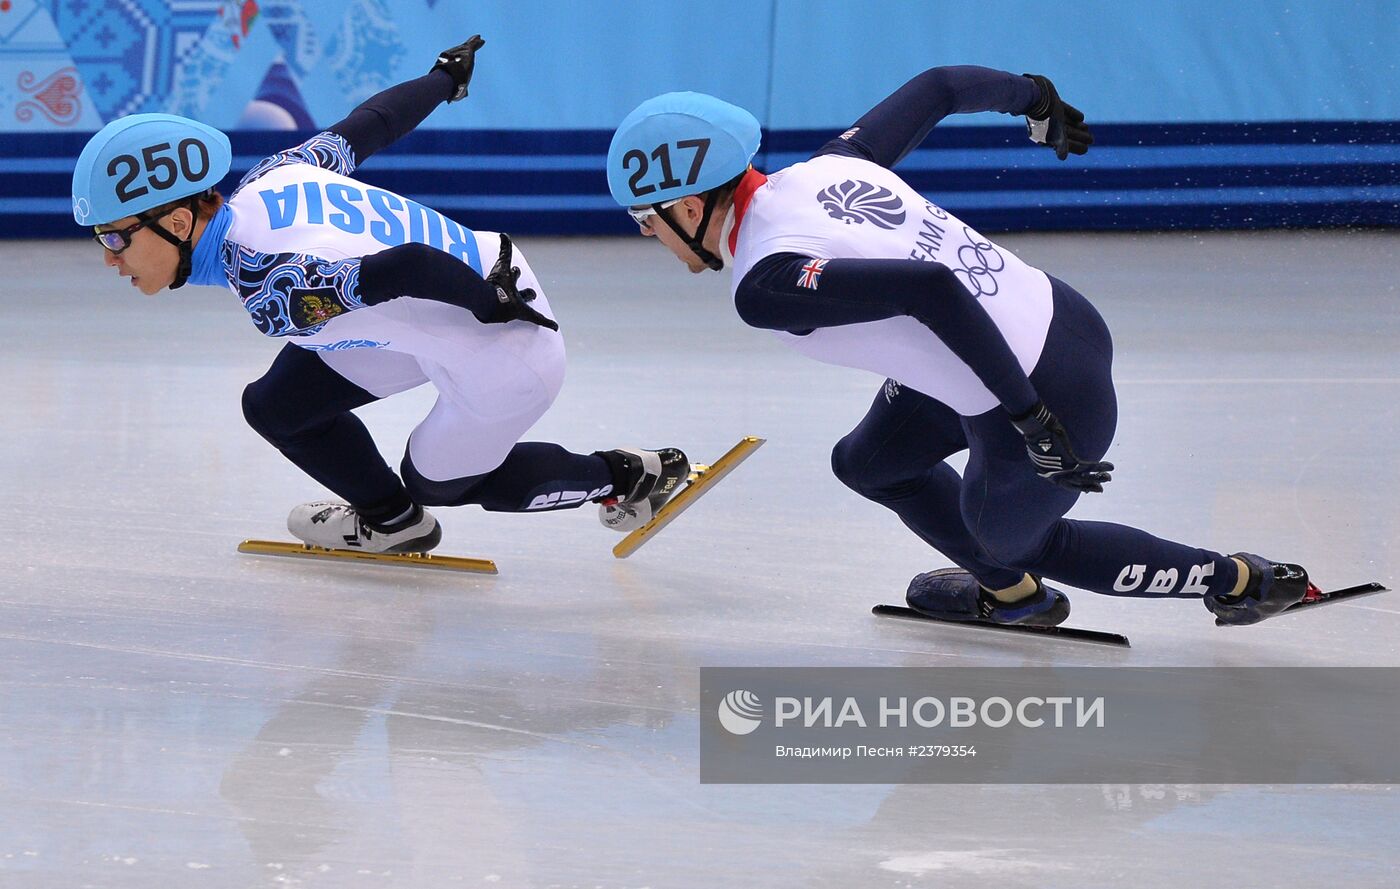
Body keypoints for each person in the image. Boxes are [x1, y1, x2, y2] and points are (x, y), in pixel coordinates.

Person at [606, 66, 1310, 626]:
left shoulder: (764, 283)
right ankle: (1013, 598)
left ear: (690, 207)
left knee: (1013, 536)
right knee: (869, 461)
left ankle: (1238, 579)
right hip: (1064, 316)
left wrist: (1032, 419)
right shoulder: (830, 164)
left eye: (647, 220)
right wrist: (1037, 98)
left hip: (1046, 393)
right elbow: (941, 86)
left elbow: (933, 290)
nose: (647, 236)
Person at [71, 36, 688, 554]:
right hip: (461, 292)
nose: (108, 257)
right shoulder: (272, 176)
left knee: (439, 479)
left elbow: (403, 269)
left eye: (114, 237)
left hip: (503, 338)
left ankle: (627, 477)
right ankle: (393, 524)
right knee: (276, 406)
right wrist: (444, 80)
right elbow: (372, 125)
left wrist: (488, 302)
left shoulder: (266, 286)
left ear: (176, 224)